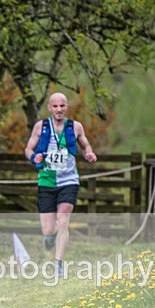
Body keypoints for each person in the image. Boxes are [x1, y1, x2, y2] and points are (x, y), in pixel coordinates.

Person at [24, 92, 97, 277]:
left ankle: (58, 264)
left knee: (63, 221)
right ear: (49, 108)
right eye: (55, 106)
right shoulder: (40, 127)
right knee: (48, 229)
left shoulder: (75, 127)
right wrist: (34, 157)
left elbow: (86, 145)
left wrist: (89, 153)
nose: (59, 109)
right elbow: (28, 149)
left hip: (69, 181)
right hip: (46, 181)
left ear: (66, 107)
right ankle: (50, 237)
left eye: (62, 106)